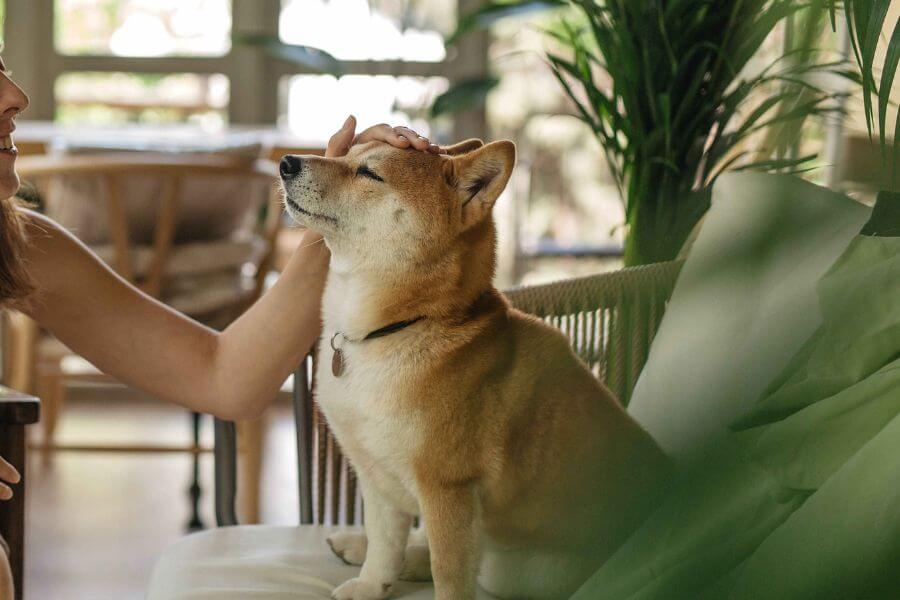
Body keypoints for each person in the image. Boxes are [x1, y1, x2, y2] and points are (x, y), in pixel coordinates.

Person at [0, 49, 437, 599]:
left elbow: (224, 377)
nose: (16, 96)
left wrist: (337, 206)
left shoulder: (22, 246)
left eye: (3, 66)